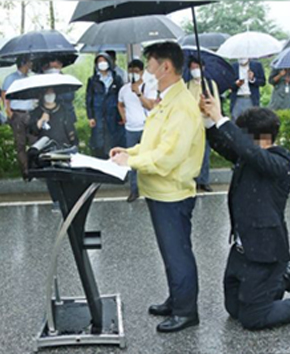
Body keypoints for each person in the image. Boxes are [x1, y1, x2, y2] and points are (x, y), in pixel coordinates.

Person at [198, 89, 290, 331]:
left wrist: (222, 119)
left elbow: (249, 151)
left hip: (266, 252)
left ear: (262, 138)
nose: (239, 140)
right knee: (234, 310)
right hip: (242, 250)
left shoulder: (280, 162)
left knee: (253, 319)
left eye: (243, 135)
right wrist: (208, 119)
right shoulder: (250, 155)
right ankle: (284, 279)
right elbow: (225, 144)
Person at [110, 42, 205, 333]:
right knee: (169, 251)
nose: (146, 71)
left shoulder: (182, 106)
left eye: (150, 64)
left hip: (172, 193)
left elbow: (168, 157)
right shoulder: (166, 100)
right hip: (159, 191)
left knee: (177, 252)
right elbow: (152, 143)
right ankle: (177, 298)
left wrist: (132, 162)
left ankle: (187, 311)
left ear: (165, 67)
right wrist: (128, 152)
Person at [117, 59, 157, 203]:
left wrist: (139, 93)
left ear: (141, 72)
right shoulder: (124, 89)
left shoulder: (150, 87)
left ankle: (151, 188)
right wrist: (124, 117)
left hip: (146, 127)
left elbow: (151, 106)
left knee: (147, 158)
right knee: (131, 160)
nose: (133, 74)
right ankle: (134, 190)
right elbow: (120, 104)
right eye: (131, 71)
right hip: (130, 129)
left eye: (136, 71)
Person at [186, 56, 220, 193]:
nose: (195, 70)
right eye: (193, 68)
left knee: (205, 152)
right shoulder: (187, 85)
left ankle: (204, 181)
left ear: (203, 68)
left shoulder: (210, 84)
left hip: (206, 122)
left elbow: (216, 102)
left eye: (197, 68)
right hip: (192, 124)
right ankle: (192, 180)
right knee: (192, 153)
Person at [2, 55, 36, 179]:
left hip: (30, 113)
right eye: (29, 62)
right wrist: (9, 112)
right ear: (23, 63)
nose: (31, 65)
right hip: (17, 113)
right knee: (20, 143)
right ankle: (26, 170)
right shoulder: (11, 78)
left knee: (34, 141)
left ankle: (34, 168)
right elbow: (5, 95)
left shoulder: (29, 78)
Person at [86, 52, 125, 159]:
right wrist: (90, 116)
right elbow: (89, 99)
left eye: (104, 61)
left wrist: (121, 115)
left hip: (113, 114)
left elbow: (121, 98)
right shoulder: (93, 80)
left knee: (113, 140)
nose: (102, 63)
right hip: (98, 114)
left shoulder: (116, 78)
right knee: (98, 141)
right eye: (99, 61)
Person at [43, 56, 78, 142]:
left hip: (67, 115)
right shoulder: (44, 80)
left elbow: (70, 96)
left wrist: (58, 94)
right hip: (51, 116)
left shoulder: (66, 79)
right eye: (53, 62)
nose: (55, 64)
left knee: (70, 140)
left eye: (58, 63)